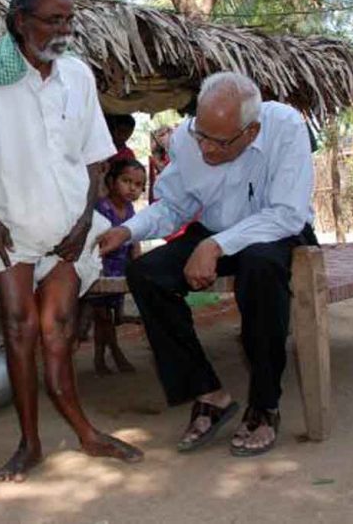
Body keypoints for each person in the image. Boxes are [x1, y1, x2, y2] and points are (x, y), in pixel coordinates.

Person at [0, 0, 143, 483]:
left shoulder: (77, 75)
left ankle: (86, 433)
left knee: (57, 332)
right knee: (19, 329)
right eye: (54, 20)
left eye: (69, 19)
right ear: (20, 21)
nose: (64, 29)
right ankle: (29, 443)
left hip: (67, 230)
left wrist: (83, 221)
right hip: (9, 229)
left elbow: (97, 159)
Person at [98, 72, 317, 457]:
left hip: (276, 230)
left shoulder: (285, 126)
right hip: (216, 229)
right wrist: (127, 231)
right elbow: (174, 206)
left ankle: (265, 404)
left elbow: (287, 212)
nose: (207, 150)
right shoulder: (187, 138)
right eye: (202, 135)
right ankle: (209, 394)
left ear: (252, 131)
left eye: (220, 142)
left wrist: (216, 245)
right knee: (146, 274)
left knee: (260, 268)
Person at [90, 159, 145, 375]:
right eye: (126, 181)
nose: (132, 188)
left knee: (109, 317)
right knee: (102, 317)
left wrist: (137, 263)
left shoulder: (130, 210)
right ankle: (110, 354)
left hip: (119, 272)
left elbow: (134, 239)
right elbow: (95, 241)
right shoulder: (101, 208)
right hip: (101, 270)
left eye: (139, 185)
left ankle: (103, 356)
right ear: (111, 182)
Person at [148, 125, 172, 204]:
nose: (160, 138)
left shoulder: (177, 153)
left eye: (162, 135)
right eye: (157, 136)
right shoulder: (157, 157)